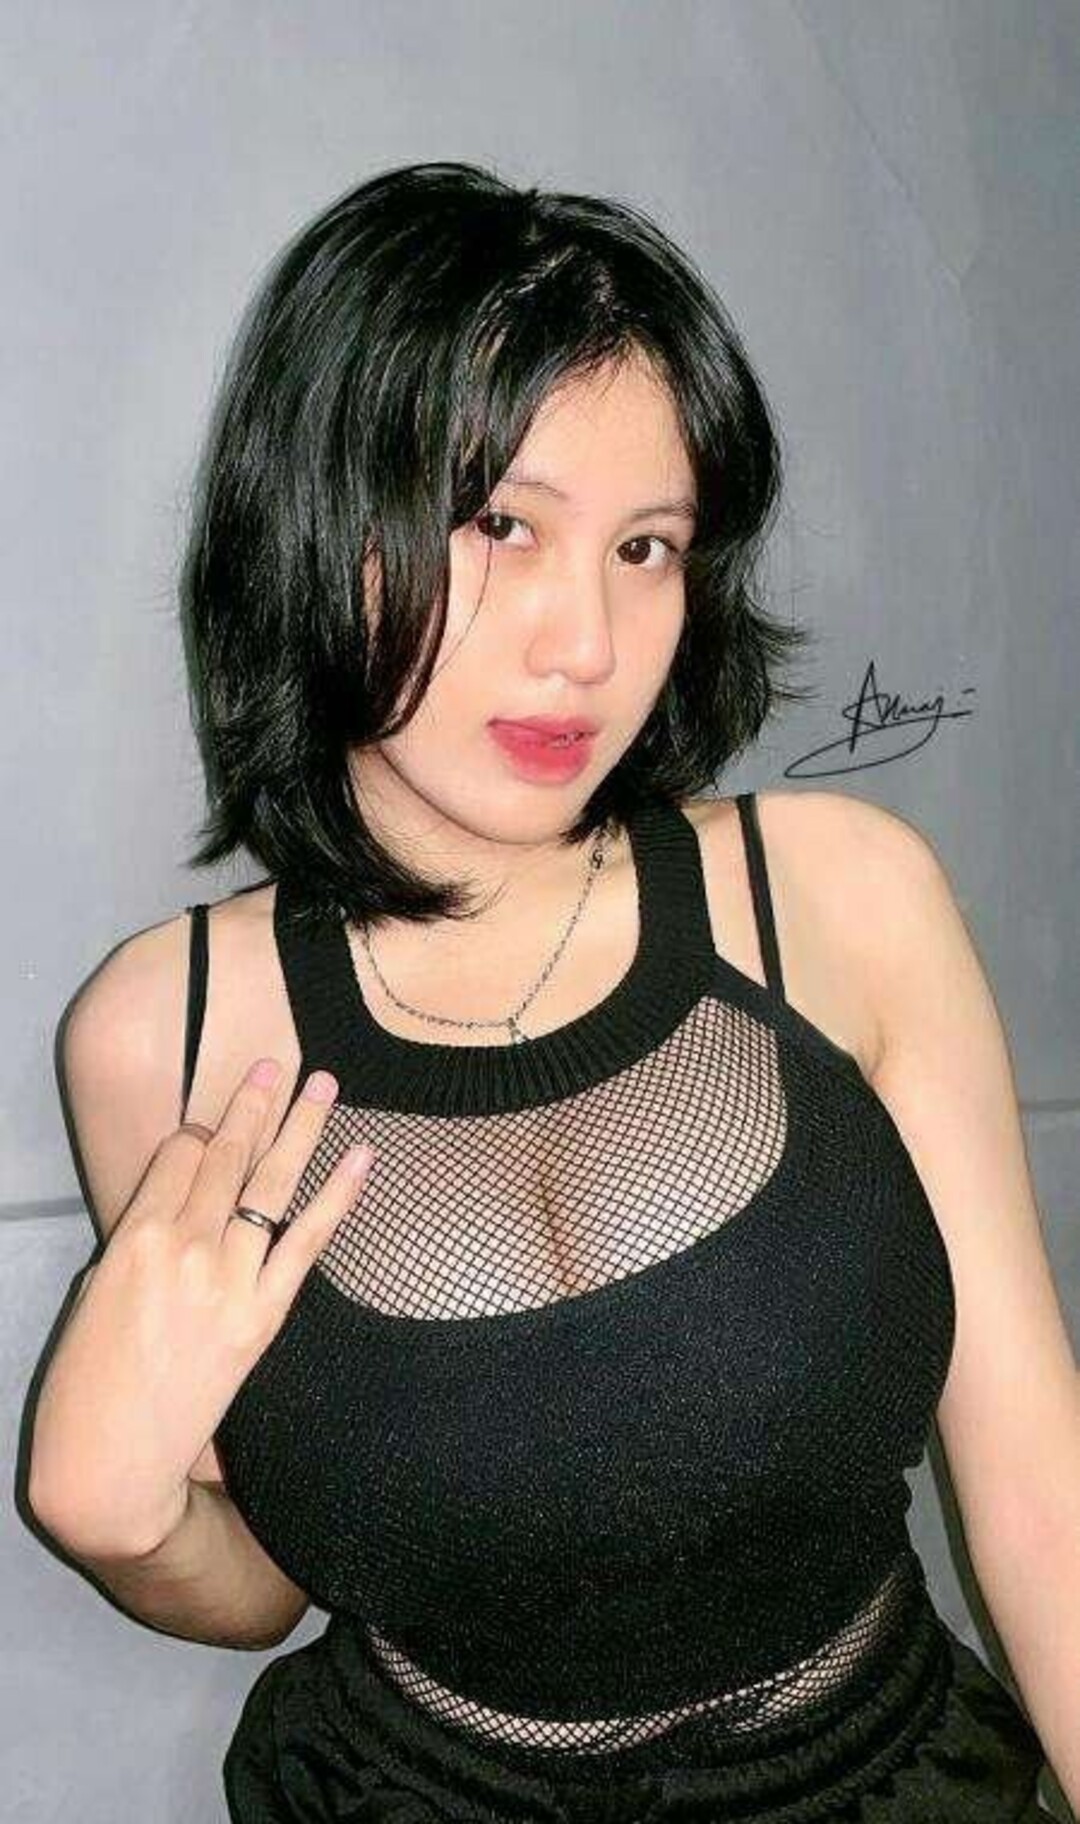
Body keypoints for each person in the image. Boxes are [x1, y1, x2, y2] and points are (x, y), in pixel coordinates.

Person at [34, 161, 1071, 1822]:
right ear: (321, 519)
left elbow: (1038, 1491)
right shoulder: (168, 1034)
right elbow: (270, 1581)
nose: (586, 642)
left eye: (647, 546)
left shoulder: (838, 898)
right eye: (503, 525)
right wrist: (121, 1522)